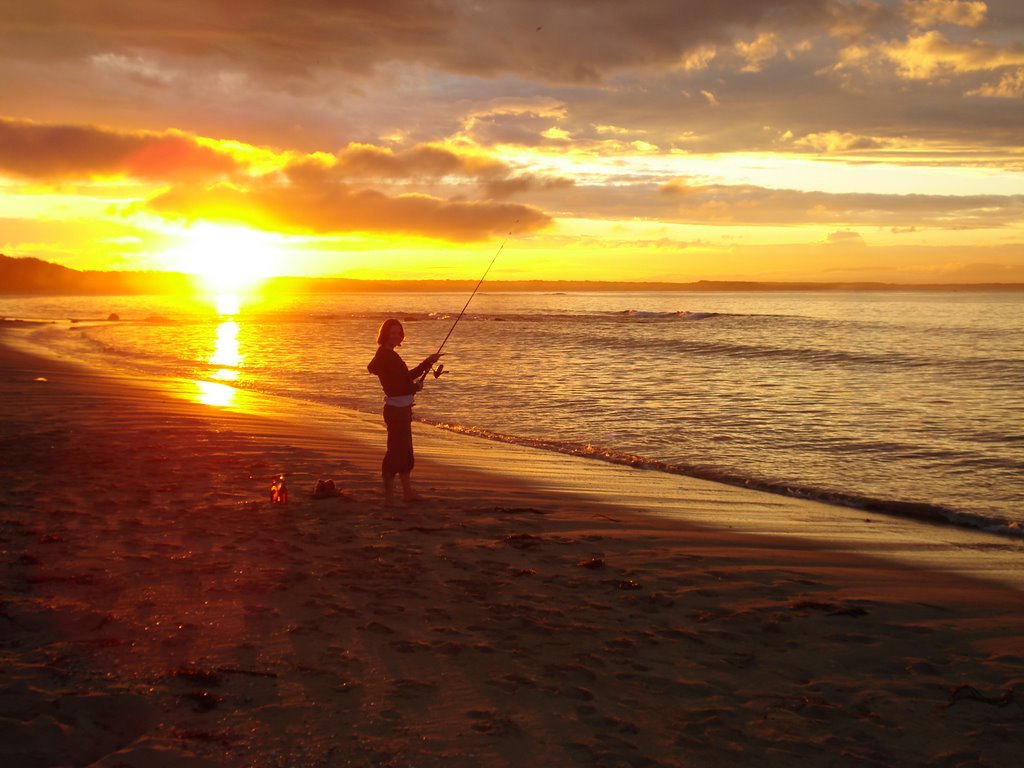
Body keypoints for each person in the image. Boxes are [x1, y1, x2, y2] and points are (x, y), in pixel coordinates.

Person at [367, 318, 442, 506]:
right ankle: (389, 498)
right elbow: (394, 387)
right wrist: (414, 388)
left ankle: (407, 493)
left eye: (399, 332)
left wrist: (427, 362)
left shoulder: (389, 355)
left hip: (402, 410)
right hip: (396, 411)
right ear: (385, 334)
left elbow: (405, 377)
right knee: (395, 452)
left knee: (406, 453)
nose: (397, 335)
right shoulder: (386, 356)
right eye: (393, 332)